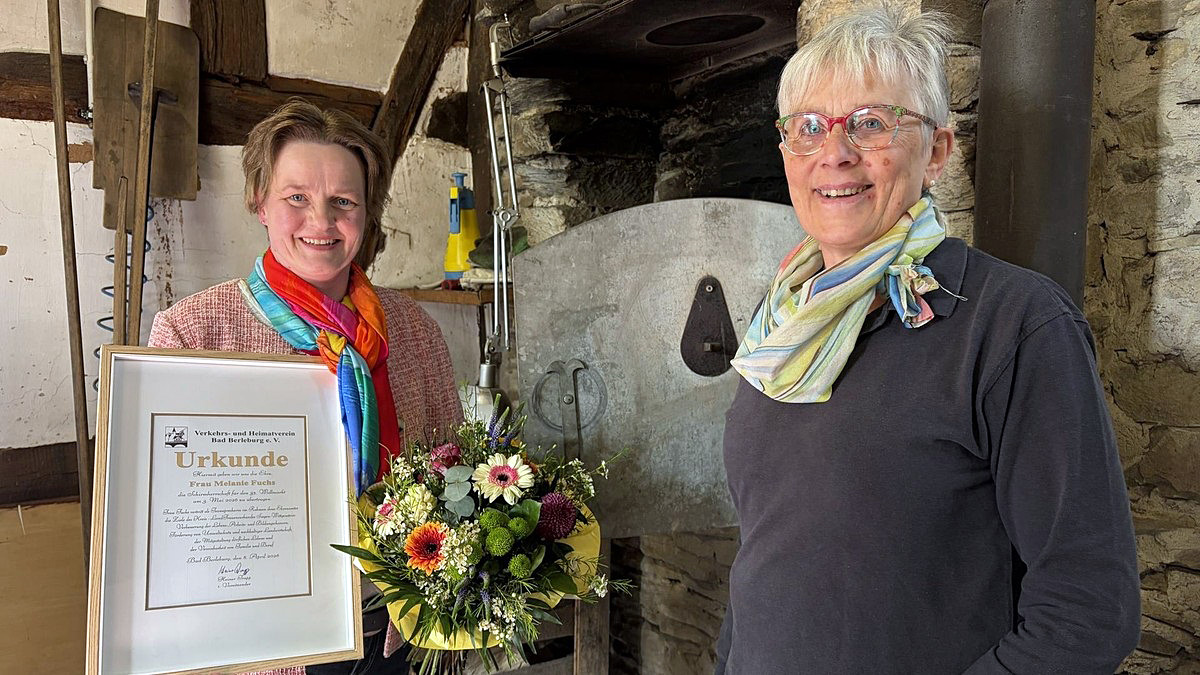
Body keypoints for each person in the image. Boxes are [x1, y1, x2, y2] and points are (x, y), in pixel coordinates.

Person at [716, 7, 1140, 674]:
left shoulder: (1013, 326)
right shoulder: (778, 329)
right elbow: (764, 557)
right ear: (786, 154)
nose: (836, 152)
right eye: (809, 127)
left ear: (937, 152)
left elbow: (1088, 610)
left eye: (872, 122)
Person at [149, 98, 463, 673]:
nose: (321, 222)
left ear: (367, 214)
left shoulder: (413, 330)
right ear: (259, 203)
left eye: (343, 201)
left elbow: (455, 468)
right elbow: (173, 523)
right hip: (265, 646)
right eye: (297, 198)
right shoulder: (193, 331)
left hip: (400, 630)